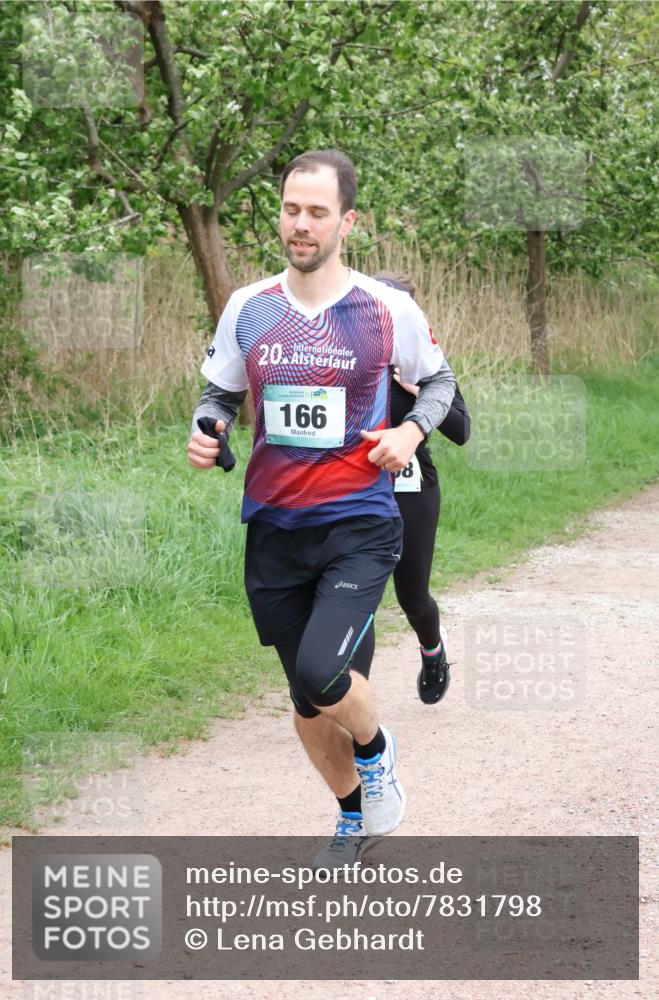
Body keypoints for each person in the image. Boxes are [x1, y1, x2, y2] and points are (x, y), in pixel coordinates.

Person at [187, 149, 456, 869]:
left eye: (316, 213)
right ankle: (348, 817)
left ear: (346, 221)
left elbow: (438, 382)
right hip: (273, 525)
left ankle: (376, 751)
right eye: (289, 209)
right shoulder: (249, 307)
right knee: (305, 703)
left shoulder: (384, 308)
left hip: (357, 522)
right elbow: (218, 393)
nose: (299, 225)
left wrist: (408, 429)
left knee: (321, 672)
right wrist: (207, 430)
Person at [351, 271, 470, 705]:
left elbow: (461, 430)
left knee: (412, 596)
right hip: (355, 489)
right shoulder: (351, 356)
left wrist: (416, 388)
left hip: (413, 488)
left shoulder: (424, 361)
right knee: (354, 592)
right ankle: (349, 689)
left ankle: (433, 651)